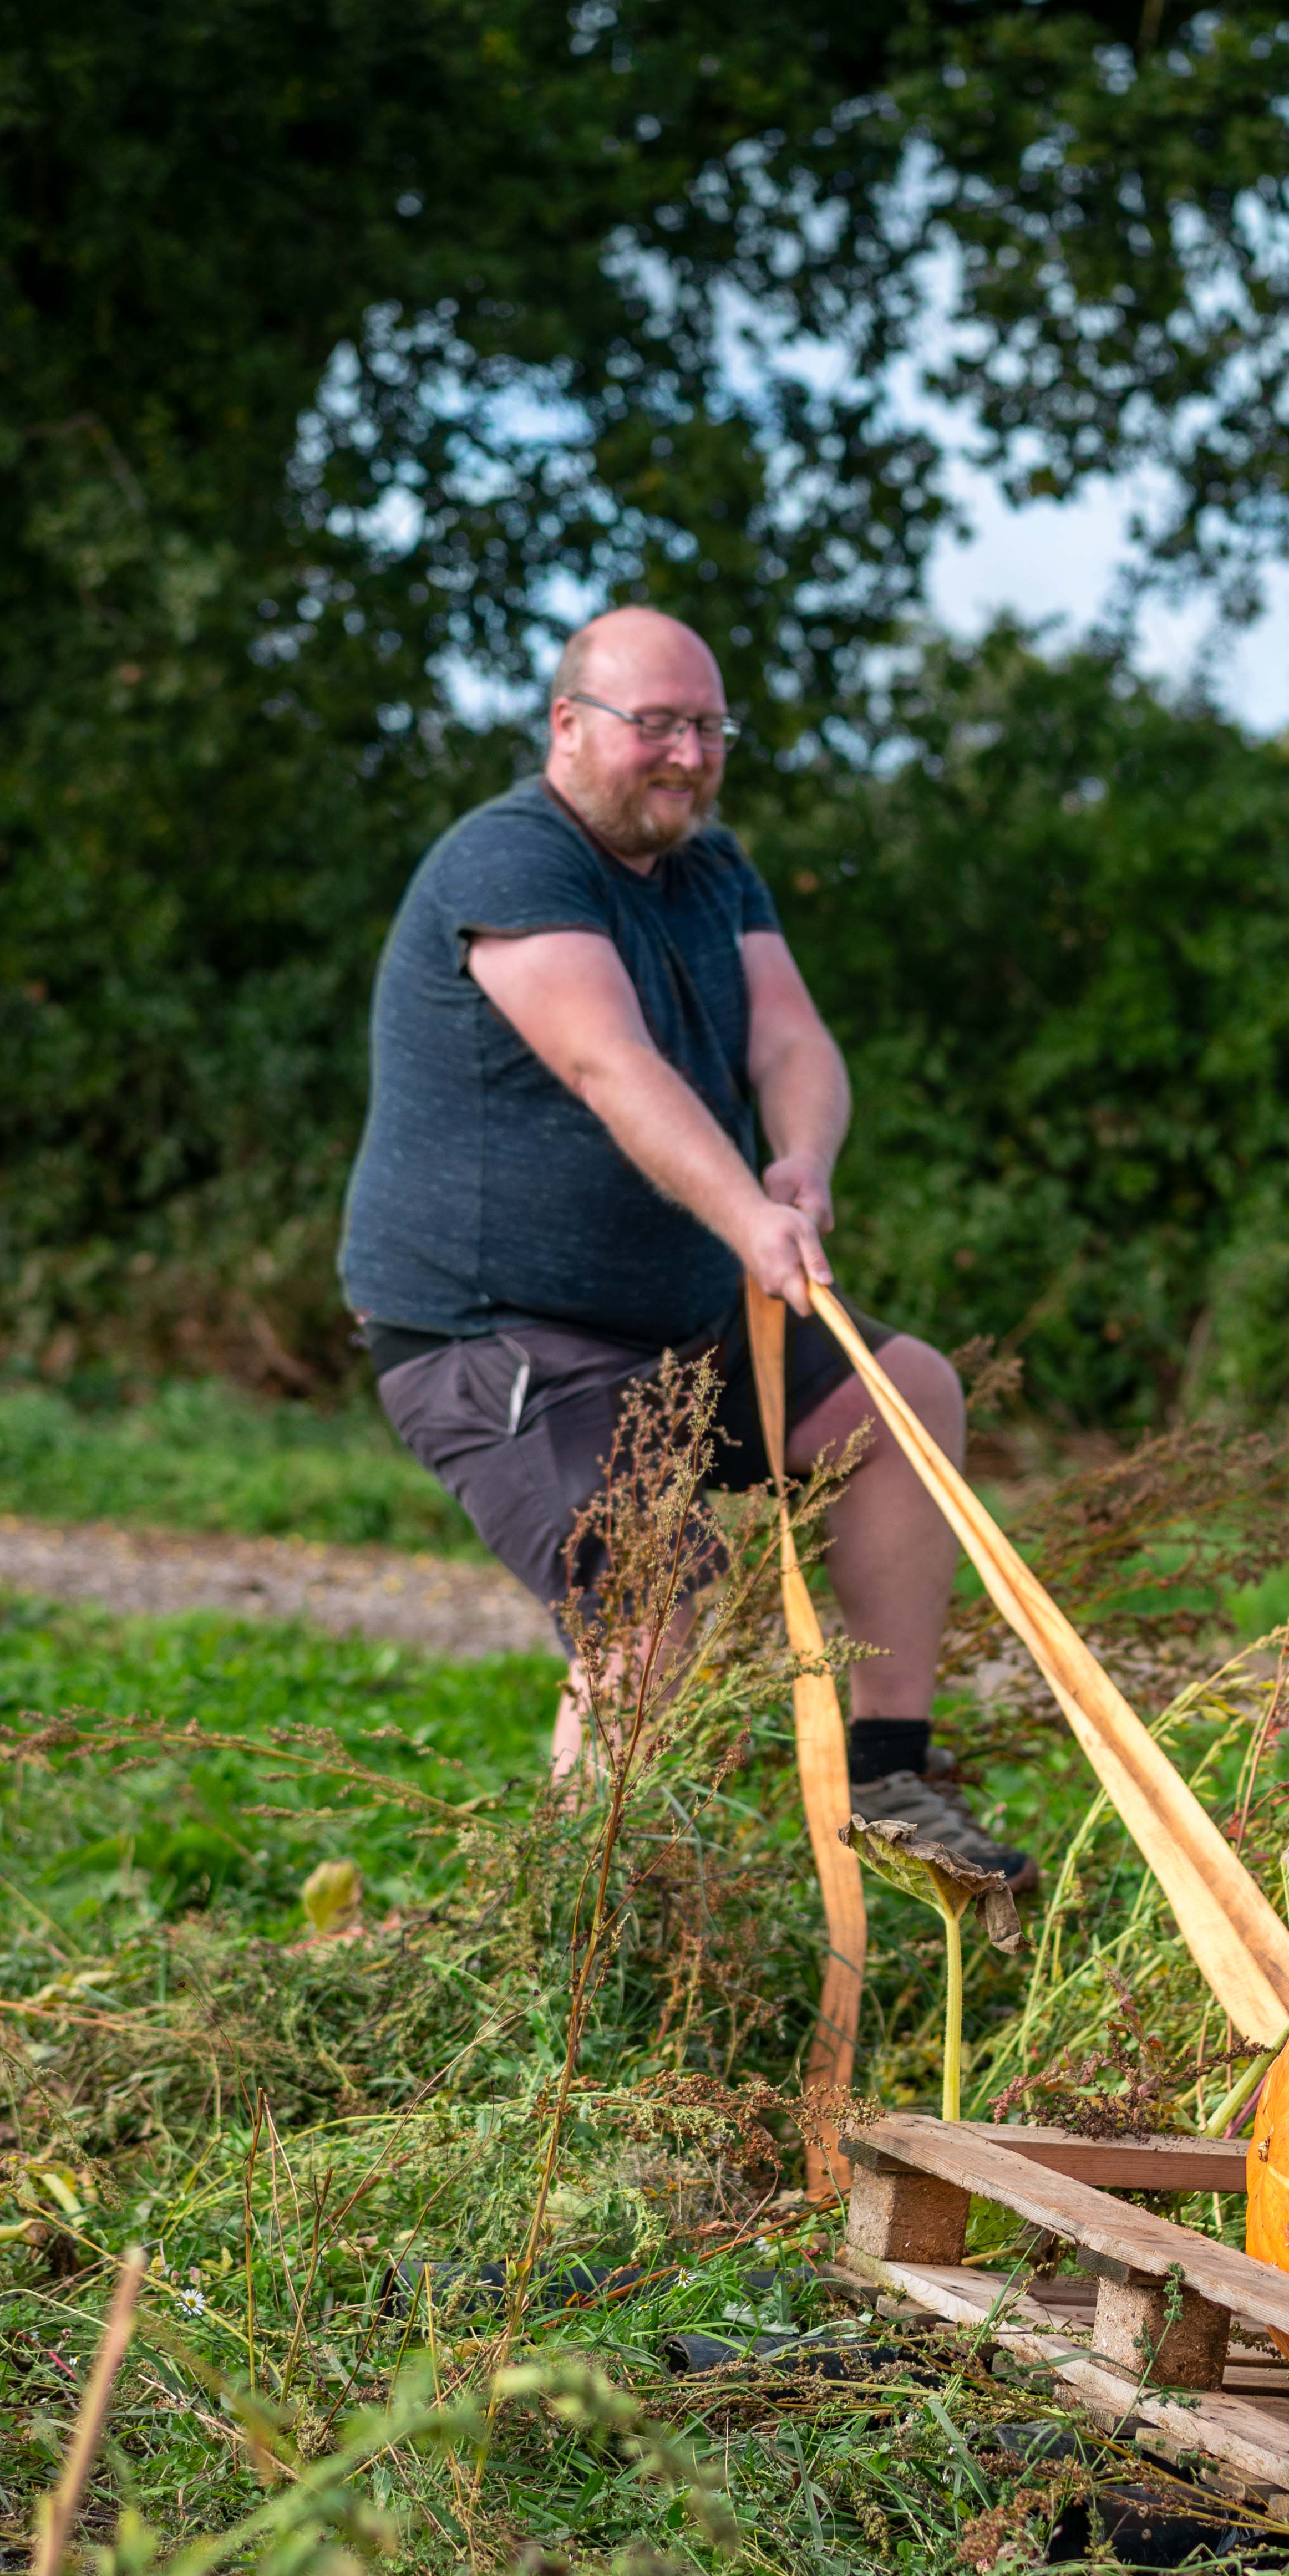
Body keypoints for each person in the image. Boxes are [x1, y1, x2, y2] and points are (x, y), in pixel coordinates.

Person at [338, 602, 1033, 1887]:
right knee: (654, 1589)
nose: (686, 754)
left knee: (909, 1394)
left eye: (707, 727)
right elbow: (611, 1065)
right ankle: (572, 1916)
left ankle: (887, 1778)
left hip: (680, 1325)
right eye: (653, 724)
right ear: (568, 725)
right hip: (501, 1337)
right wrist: (746, 1218)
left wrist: (802, 1165)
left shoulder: (713, 872)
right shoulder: (511, 862)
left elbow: (789, 1042)